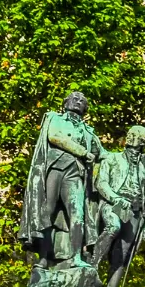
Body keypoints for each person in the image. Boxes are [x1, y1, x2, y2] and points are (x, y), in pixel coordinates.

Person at [19, 92, 104, 268]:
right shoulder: (54, 118)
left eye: (83, 101)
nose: (79, 102)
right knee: (47, 211)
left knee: (78, 214)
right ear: (66, 103)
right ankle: (43, 258)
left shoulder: (88, 131)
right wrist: (82, 152)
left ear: (85, 109)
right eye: (75, 99)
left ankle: (76, 257)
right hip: (55, 168)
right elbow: (55, 137)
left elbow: (103, 154)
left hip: (75, 173)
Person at [90, 125, 145, 287]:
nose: (135, 151)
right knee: (113, 227)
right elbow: (101, 183)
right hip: (114, 204)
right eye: (133, 147)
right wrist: (116, 198)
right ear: (127, 144)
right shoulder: (112, 159)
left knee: (123, 255)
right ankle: (91, 268)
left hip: (135, 213)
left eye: (139, 148)